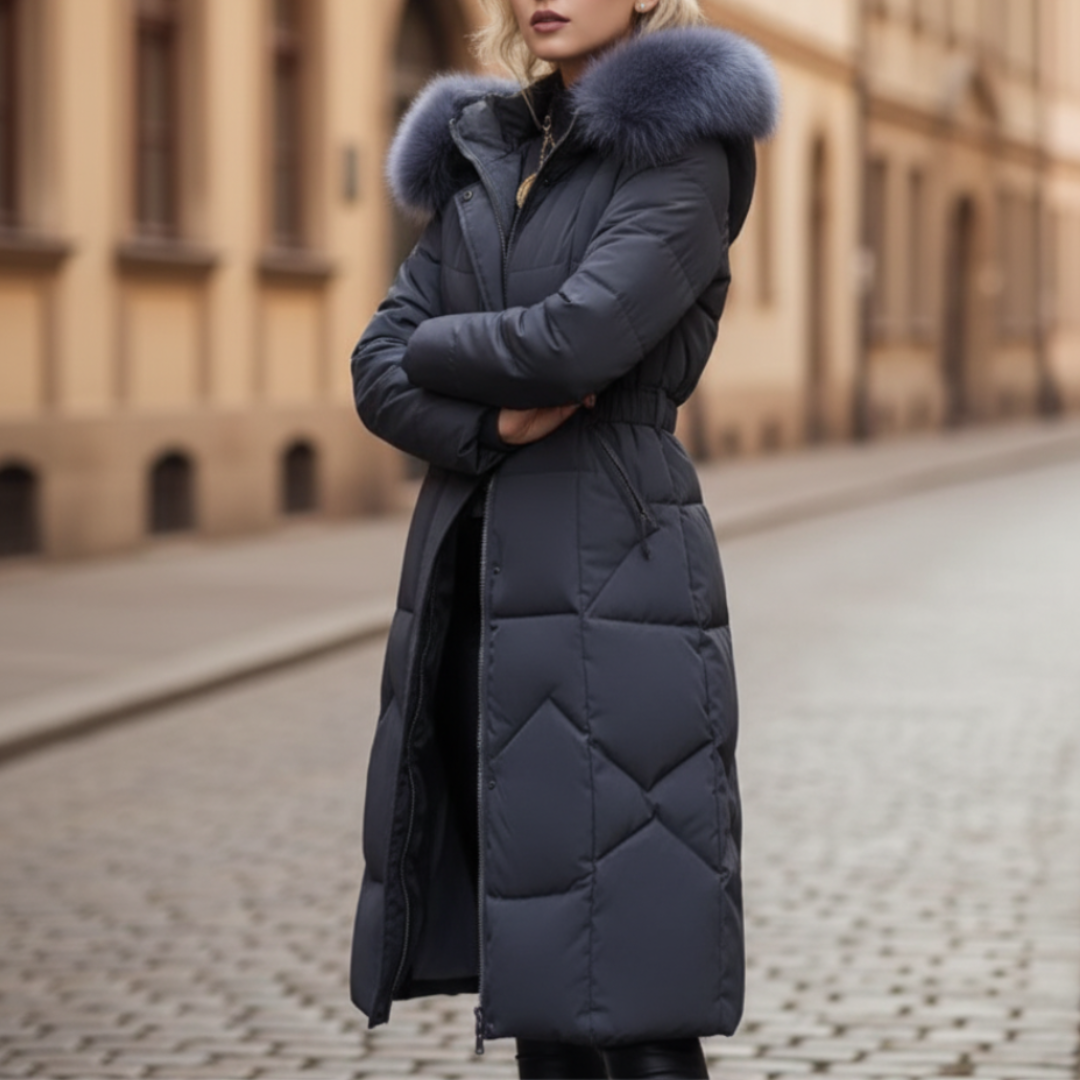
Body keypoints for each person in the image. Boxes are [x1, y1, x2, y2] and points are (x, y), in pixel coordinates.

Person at [347, 1, 779, 1076]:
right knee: (538, 969)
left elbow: (575, 341)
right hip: (472, 586)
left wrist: (436, 350)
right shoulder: (492, 146)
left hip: (614, 579)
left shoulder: (685, 145)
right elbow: (372, 368)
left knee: (631, 985)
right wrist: (489, 420)